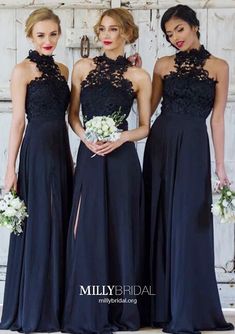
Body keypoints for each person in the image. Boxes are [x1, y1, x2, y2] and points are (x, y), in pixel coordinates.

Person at [143, 4, 234, 334]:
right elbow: (147, 109)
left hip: (195, 147)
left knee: (187, 223)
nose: (174, 37)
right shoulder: (162, 65)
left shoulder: (220, 66)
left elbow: (219, 118)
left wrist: (220, 166)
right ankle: (157, 306)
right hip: (162, 144)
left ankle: (188, 306)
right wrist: (135, 76)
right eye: (169, 33)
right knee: (159, 217)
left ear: (194, 25)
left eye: (179, 29)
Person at [62, 7, 151, 334]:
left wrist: (120, 138)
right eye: (102, 29)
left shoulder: (139, 76)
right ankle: (86, 309)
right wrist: (85, 136)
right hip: (90, 156)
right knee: (86, 228)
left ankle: (122, 311)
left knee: (120, 229)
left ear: (127, 33)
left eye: (113, 29)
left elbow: (144, 127)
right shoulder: (82, 68)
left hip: (122, 160)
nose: (106, 34)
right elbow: (72, 115)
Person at [0, 7, 73, 332]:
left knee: (61, 222)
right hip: (37, 152)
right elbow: (17, 121)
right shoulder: (21, 70)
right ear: (30, 35)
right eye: (41, 35)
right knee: (40, 224)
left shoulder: (63, 68)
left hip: (61, 150)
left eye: (53, 34)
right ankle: (34, 307)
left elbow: (69, 116)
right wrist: (10, 168)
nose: (48, 40)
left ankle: (58, 305)